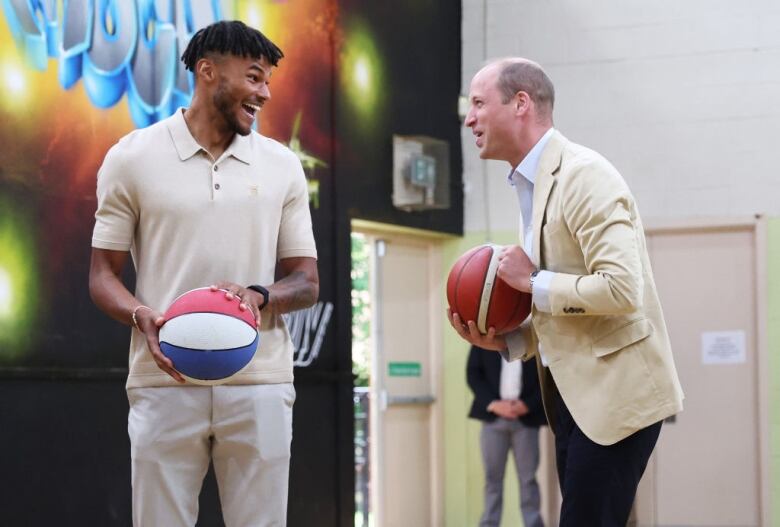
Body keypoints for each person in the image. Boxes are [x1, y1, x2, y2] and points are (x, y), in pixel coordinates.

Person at [88, 21, 318, 527]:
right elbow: (102, 275)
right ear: (207, 71)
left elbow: (306, 281)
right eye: (254, 77)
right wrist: (140, 314)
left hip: (259, 381)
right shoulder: (131, 157)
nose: (265, 92)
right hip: (163, 377)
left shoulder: (281, 165)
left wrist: (260, 295)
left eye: (267, 81)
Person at [449, 58, 684, 526]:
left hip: (618, 397)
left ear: (520, 104)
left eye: (478, 103)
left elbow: (622, 289)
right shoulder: (530, 186)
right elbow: (560, 310)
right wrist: (509, 342)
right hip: (574, 400)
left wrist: (532, 282)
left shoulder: (584, 175)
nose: (468, 117)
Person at [467, 344, 546, 527]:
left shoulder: (533, 338)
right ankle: (489, 523)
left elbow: (545, 377)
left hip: (526, 420)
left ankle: (533, 523)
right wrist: (493, 403)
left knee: (528, 479)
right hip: (493, 419)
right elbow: (473, 374)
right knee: (492, 479)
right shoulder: (485, 339)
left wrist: (528, 404)